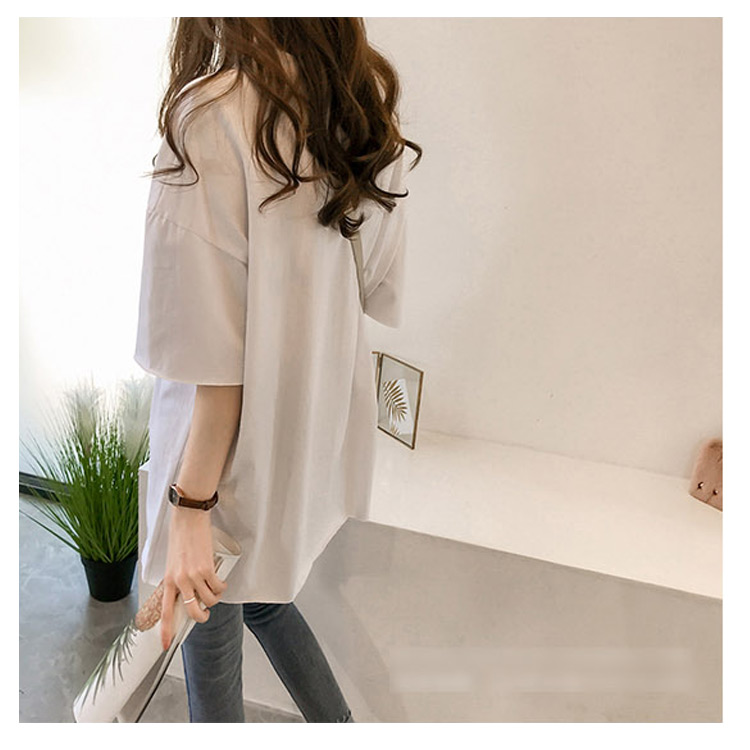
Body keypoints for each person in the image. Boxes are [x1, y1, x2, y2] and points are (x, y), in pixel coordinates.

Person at [133, 18, 422, 723]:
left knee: (210, 624)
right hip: (307, 429)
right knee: (264, 595)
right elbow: (373, 282)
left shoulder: (210, 117)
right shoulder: (358, 106)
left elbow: (209, 353)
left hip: (216, 460)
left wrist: (191, 508)